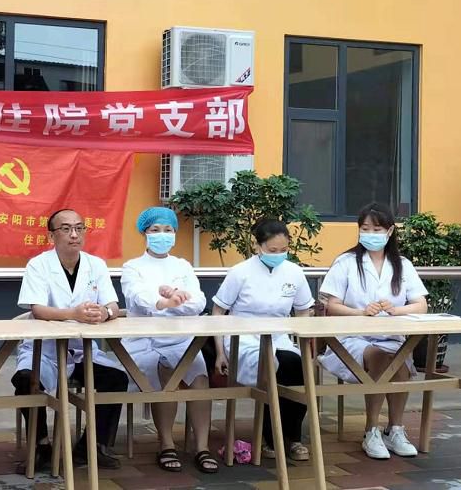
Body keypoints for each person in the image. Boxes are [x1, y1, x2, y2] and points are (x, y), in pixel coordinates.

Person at [11, 208, 128, 472]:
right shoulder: (39, 265)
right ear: (51, 235)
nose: (74, 234)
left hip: (81, 349)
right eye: (65, 229)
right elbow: (38, 309)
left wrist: (105, 313)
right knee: (25, 380)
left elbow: (112, 304)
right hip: (45, 350)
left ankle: (92, 446)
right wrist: (73, 314)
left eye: (79, 228)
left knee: (116, 379)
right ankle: (41, 446)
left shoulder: (96, 265)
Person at [318, 202, 427, 460]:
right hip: (351, 338)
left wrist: (395, 310)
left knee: (399, 361)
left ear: (389, 231)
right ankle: (371, 431)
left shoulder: (402, 265)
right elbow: (332, 305)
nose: (370, 234)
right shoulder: (346, 262)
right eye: (365, 228)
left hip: (391, 336)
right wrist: (360, 312)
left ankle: (395, 430)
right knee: (379, 358)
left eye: (376, 229)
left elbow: (421, 304)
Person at [121, 206, 218, 474]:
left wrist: (175, 298)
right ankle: (166, 444)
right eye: (155, 230)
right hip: (146, 340)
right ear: (144, 233)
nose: (162, 235)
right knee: (166, 374)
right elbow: (138, 298)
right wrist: (163, 303)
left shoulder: (182, 266)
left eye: (167, 230)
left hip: (181, 339)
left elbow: (198, 302)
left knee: (200, 379)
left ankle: (202, 447)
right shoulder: (132, 267)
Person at [212, 219, 314, 462]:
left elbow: (303, 311)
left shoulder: (294, 272)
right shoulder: (240, 272)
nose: (278, 255)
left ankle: (294, 437)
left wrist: (304, 342)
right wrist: (220, 352)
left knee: (298, 368)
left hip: (280, 336)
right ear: (258, 246)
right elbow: (218, 312)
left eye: (283, 250)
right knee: (272, 368)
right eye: (272, 250)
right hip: (244, 338)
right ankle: (270, 437)